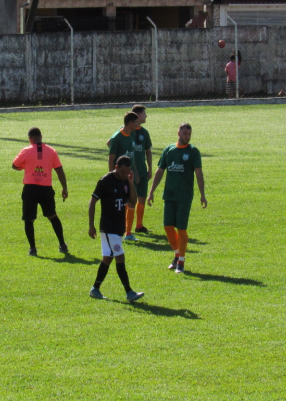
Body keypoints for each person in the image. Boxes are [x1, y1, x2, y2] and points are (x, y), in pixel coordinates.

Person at [147, 123, 207, 274]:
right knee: (167, 227)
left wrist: (202, 194)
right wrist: (151, 191)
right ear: (178, 133)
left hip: (184, 196)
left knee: (181, 228)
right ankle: (176, 254)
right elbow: (159, 171)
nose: (187, 136)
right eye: (185, 133)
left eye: (189, 134)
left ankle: (181, 261)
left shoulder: (193, 152)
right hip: (169, 195)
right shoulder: (169, 150)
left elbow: (199, 174)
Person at [88, 155, 144, 302]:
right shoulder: (105, 181)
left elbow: (132, 202)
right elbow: (92, 202)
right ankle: (129, 292)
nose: (125, 175)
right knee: (120, 256)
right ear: (117, 168)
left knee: (107, 259)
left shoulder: (125, 181)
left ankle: (95, 289)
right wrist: (91, 225)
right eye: (123, 172)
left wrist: (131, 184)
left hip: (119, 228)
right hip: (108, 227)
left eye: (128, 172)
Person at [12, 127, 69, 256]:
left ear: (30, 139)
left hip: (30, 188)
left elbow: (15, 165)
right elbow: (59, 170)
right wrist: (64, 188)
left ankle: (32, 249)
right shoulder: (51, 151)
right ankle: (62, 244)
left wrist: (25, 166)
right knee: (52, 216)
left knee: (29, 219)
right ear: (41, 137)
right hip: (46, 188)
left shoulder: (26, 151)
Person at [107, 108, 153, 241]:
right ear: (131, 123)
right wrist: (112, 176)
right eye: (137, 122)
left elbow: (132, 157)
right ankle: (122, 231)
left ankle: (128, 232)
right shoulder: (117, 137)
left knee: (131, 202)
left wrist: (136, 173)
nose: (139, 124)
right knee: (122, 204)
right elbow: (111, 158)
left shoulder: (132, 135)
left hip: (131, 176)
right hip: (120, 177)